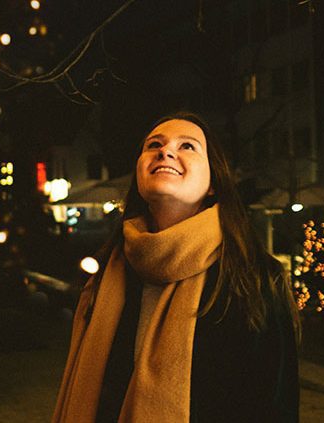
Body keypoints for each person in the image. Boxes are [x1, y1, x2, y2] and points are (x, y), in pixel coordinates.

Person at [53, 112, 301, 422]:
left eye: (188, 146)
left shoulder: (253, 276)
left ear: (214, 183)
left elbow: (273, 407)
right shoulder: (109, 271)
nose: (165, 151)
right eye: (153, 144)